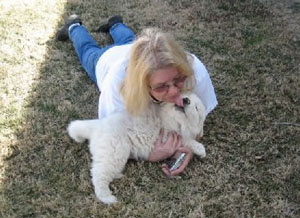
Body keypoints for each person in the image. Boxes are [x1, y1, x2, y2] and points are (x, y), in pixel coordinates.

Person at [56, 15, 218, 177]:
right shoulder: (117, 86)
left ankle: (115, 23)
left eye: (178, 80)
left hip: (134, 48)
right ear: (142, 86)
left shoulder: (195, 70)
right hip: (106, 59)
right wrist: (147, 153)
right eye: (161, 87)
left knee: (128, 38)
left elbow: (197, 121)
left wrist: (186, 148)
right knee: (87, 50)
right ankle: (74, 26)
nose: (175, 92)